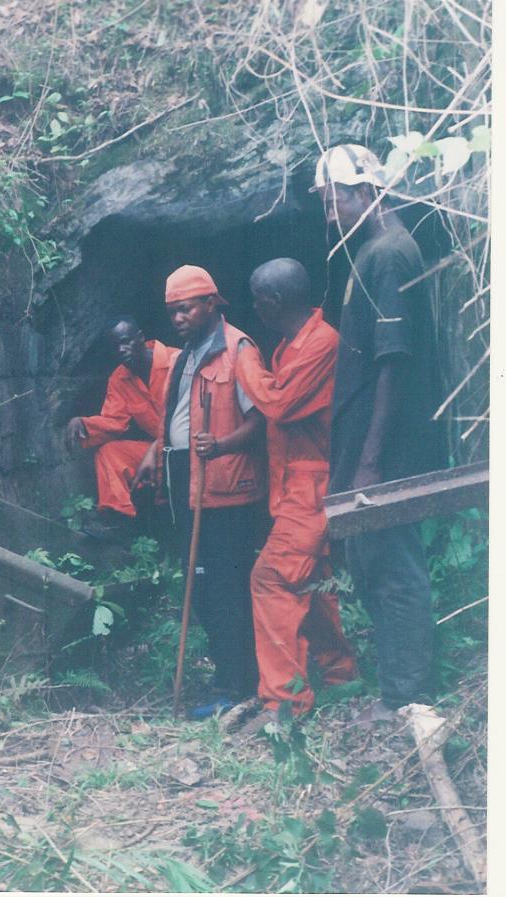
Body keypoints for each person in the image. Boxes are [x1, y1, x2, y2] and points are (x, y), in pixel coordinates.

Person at [313, 143, 447, 720]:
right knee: (373, 562)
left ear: (367, 191)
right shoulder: (373, 250)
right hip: (369, 444)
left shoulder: (390, 254)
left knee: (393, 566)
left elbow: (394, 361)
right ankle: (399, 687)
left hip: (387, 451)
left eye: (335, 200)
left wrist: (369, 461)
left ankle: (407, 695)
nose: (330, 215)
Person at [133, 265, 265, 716]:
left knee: (227, 588)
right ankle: (227, 676)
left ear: (211, 303)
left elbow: (262, 420)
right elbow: (180, 417)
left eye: (186, 308)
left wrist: (222, 445)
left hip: (226, 490)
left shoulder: (238, 350)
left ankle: (240, 684)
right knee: (204, 587)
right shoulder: (183, 356)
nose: (178, 318)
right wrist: (155, 450)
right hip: (187, 484)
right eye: (172, 311)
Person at [234, 258, 357, 724]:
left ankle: (284, 703)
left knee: (272, 580)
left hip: (311, 488)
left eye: (257, 300)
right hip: (296, 488)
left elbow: (280, 404)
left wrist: (245, 361)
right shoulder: (292, 345)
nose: (254, 307)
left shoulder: (322, 343)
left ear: (274, 301)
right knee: (310, 581)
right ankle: (342, 675)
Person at [66, 315, 178, 529]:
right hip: (158, 451)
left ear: (140, 337)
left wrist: (155, 450)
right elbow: (114, 420)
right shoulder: (119, 378)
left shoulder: (178, 361)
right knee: (109, 453)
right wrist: (82, 423)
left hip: (189, 448)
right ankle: (117, 518)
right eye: (114, 347)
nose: (121, 350)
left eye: (125, 342)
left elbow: (192, 417)